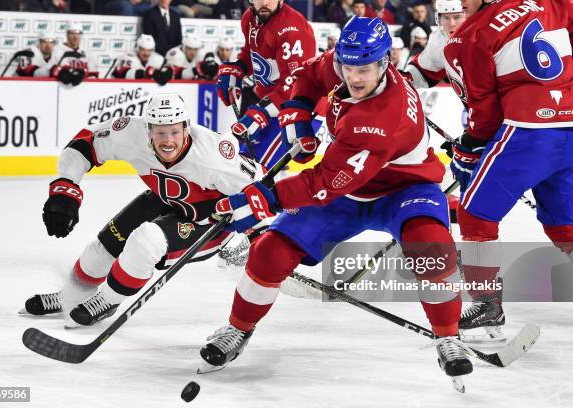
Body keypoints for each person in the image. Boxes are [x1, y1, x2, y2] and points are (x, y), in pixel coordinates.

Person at [200, 17, 473, 390]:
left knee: (433, 249)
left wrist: (268, 197)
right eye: (348, 67)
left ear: (385, 63)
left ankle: (447, 335)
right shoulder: (345, 62)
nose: (354, 77)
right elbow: (310, 75)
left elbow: (324, 183)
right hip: (347, 189)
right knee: (268, 252)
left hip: (405, 190)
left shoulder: (380, 119)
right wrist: (297, 113)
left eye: (364, 70)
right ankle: (237, 328)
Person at [20, 93, 265, 327]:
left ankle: (107, 300)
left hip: (207, 221)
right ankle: (70, 297)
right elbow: (86, 143)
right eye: (160, 132)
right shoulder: (130, 133)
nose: (168, 141)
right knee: (102, 247)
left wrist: (258, 235)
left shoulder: (213, 156)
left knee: (146, 241)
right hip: (164, 199)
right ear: (147, 130)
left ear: (186, 128)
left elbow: (260, 191)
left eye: (174, 131)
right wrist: (66, 188)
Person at [443, 0, 572, 342]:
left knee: (474, 214)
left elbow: (483, 111)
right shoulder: (549, 3)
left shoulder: (468, 35)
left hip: (528, 134)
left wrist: (470, 144)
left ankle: (486, 303)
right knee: (564, 222)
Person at [215, 0, 317, 169]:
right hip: (273, 105)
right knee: (241, 162)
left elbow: (297, 84)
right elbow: (250, 51)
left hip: (300, 109)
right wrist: (239, 68)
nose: (264, 2)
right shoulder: (249, 18)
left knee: (256, 169)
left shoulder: (292, 29)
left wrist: (261, 111)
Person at [404, 0, 465, 88]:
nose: (452, 24)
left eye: (457, 17)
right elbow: (420, 73)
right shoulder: (439, 41)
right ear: (439, 19)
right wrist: (400, 81)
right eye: (446, 18)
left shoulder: (483, 35)